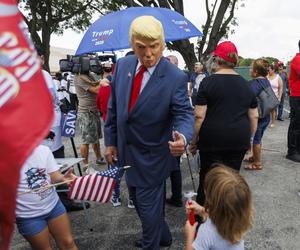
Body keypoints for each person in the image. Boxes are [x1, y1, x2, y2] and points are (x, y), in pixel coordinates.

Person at [104, 16, 194, 249]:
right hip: (126, 154)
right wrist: (111, 142)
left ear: (163, 44)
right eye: (141, 47)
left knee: (146, 207)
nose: (148, 53)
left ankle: (151, 242)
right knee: (138, 201)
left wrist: (183, 138)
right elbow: (114, 108)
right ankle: (162, 236)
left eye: (154, 46)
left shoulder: (175, 77)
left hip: (153, 157)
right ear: (132, 44)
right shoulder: (122, 66)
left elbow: (185, 114)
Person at [189, 41, 258, 205]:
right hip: (238, 140)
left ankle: (202, 220)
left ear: (217, 59)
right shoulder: (246, 85)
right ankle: (226, 219)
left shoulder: (207, 82)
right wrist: (249, 139)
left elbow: (199, 116)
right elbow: (254, 116)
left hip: (212, 139)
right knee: (231, 181)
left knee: (207, 179)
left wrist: (193, 142)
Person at [16, 142, 77, 250]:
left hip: (54, 207)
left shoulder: (43, 150)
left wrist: (63, 179)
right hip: (28, 216)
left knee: (68, 243)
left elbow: (53, 175)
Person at [185, 165, 253, 250]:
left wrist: (190, 235)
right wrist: (202, 210)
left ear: (210, 199)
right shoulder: (238, 221)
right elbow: (222, 216)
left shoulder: (206, 232)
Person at [74, 68, 106, 173]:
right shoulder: (79, 77)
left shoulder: (88, 75)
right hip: (85, 112)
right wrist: (103, 80)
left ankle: (99, 158)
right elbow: (96, 89)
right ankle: (86, 165)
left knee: (95, 137)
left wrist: (103, 77)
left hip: (93, 110)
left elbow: (96, 82)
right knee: (86, 140)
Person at [244, 58, 271, 170]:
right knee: (259, 138)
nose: (249, 70)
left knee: (256, 140)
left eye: (251, 68)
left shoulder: (254, 84)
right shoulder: (265, 80)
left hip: (258, 117)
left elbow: (248, 98)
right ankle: (255, 157)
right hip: (266, 115)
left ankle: (257, 163)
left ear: (255, 72)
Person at [286, 40, 300, 162]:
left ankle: (298, 150)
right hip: (297, 96)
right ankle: (292, 151)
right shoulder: (297, 59)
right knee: (295, 125)